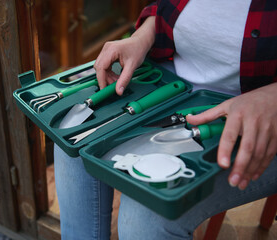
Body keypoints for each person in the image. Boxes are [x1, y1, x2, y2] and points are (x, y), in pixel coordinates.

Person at [54, 0, 277, 239]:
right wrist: (141, 37)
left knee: (145, 219)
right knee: (71, 145)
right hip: (168, 84)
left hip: (255, 116)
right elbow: (166, 7)